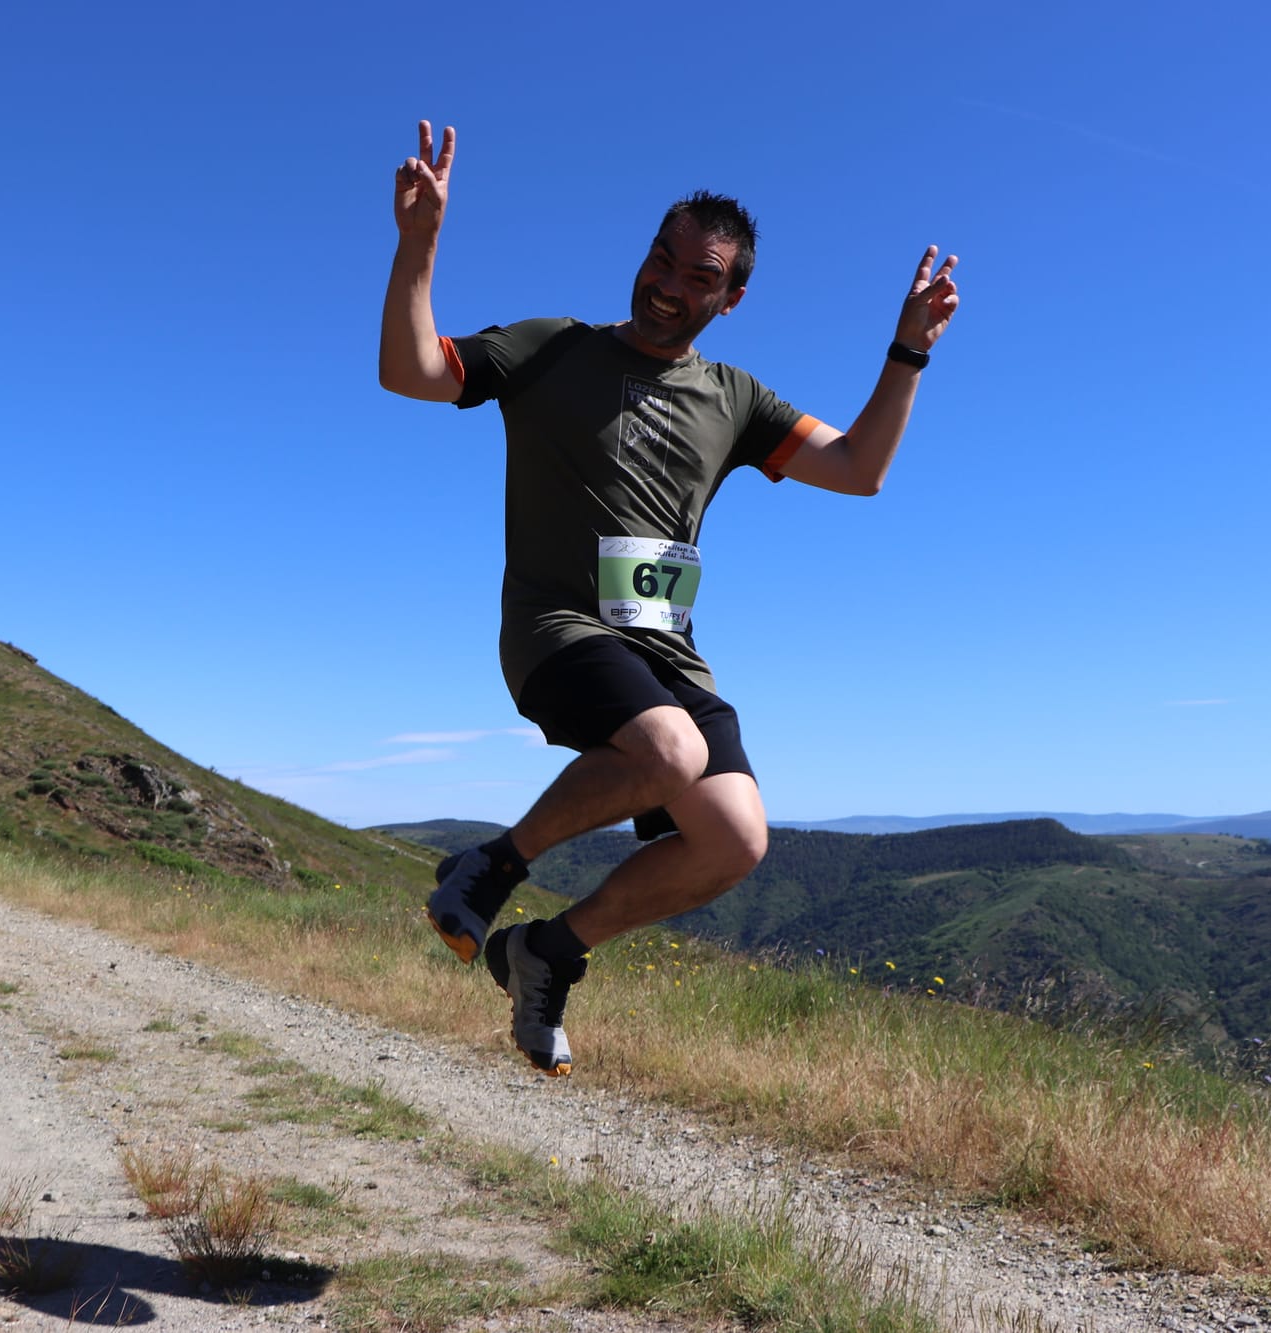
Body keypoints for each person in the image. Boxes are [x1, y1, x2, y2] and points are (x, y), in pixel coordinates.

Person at [378, 120, 961, 1077]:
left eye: (699, 277)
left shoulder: (735, 397)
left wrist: (907, 353)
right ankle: (490, 866)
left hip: (666, 654)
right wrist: (418, 247)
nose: (668, 284)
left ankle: (546, 952)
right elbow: (411, 373)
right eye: (663, 257)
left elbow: (859, 469)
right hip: (556, 626)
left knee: (734, 839)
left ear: (732, 298)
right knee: (670, 750)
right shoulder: (551, 348)